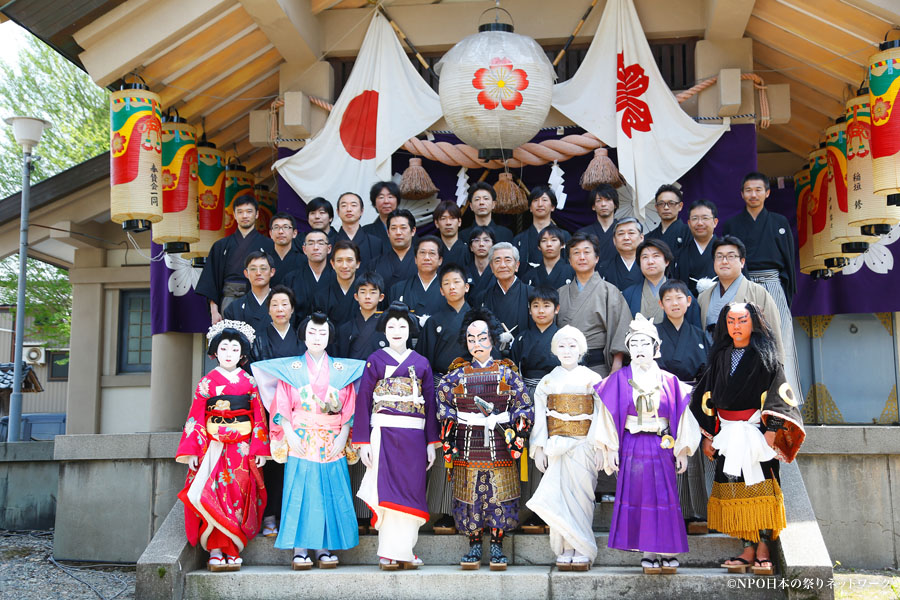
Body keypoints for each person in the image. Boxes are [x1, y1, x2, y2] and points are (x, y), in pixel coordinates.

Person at [690, 302, 805, 576]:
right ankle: (747, 547)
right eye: (730, 321)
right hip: (727, 434)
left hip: (756, 433)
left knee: (761, 489)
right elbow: (705, 397)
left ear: (753, 322)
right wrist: (709, 434)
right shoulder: (719, 356)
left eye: (742, 320)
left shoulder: (766, 356)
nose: (736, 327)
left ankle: (764, 548)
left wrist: (773, 428)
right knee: (735, 489)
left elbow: (780, 394)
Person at [251, 312, 366, 570]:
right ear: (303, 335)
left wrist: (345, 434)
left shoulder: (341, 370)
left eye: (322, 333)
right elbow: (281, 404)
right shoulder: (291, 369)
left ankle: (324, 547)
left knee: (328, 491)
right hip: (300, 437)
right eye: (312, 332)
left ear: (329, 337)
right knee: (300, 491)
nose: (316, 337)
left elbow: (350, 407)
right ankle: (300, 548)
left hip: (331, 438)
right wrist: (288, 433)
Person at [594, 314, 701, 574]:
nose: (640, 350)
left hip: (661, 443)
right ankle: (648, 550)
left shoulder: (670, 381)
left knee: (664, 498)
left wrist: (682, 451)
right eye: (634, 344)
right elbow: (606, 418)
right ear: (628, 349)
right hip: (631, 444)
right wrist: (610, 449)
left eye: (645, 344)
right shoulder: (617, 380)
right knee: (638, 498)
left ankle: (667, 550)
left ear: (656, 348)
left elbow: (684, 416)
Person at [437, 308, 533, 570]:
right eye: (471, 339)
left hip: (500, 445)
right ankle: (474, 544)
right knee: (470, 496)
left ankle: (498, 545)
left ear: (492, 339)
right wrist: (453, 423)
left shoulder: (508, 373)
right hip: (468, 446)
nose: (477, 344)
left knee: (499, 495)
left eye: (482, 338)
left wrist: (510, 423)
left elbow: (524, 406)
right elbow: (444, 405)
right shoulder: (455, 375)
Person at [176, 320, 269, 571]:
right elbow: (196, 417)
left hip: (241, 448)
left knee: (238, 494)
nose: (229, 354)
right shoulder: (207, 383)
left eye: (235, 349)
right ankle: (216, 550)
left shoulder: (249, 383)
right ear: (215, 352)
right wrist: (193, 451)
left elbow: (259, 417)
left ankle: (232, 548)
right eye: (225, 348)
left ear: (242, 355)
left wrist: (260, 449)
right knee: (213, 494)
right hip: (213, 448)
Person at [354, 302, 439, 569]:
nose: (397, 330)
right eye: (391, 326)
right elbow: (363, 401)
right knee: (387, 492)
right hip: (383, 433)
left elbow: (430, 404)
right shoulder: (375, 360)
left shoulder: (422, 363)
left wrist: (431, 443)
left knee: (411, 492)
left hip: (414, 436)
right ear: (384, 331)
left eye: (403, 326)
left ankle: (405, 550)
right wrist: (363, 442)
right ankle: (389, 552)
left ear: (410, 330)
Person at [526, 325, 603, 571]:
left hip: (584, 444)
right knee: (559, 497)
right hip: (556, 445)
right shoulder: (547, 381)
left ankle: (582, 546)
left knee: (582, 497)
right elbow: (540, 418)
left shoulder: (593, 379)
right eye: (562, 345)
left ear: (581, 349)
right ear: (554, 350)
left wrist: (601, 446)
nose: (567, 350)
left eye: (572, 345)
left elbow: (602, 416)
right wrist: (538, 447)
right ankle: (566, 547)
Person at [722, 172, 801, 403]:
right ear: (742, 194)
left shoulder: (779, 222)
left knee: (779, 337)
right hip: (744, 284)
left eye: (758, 190)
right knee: (742, 338)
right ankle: (745, 396)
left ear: (767, 193)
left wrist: (785, 296)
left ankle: (783, 398)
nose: (753, 194)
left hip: (773, 284)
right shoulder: (733, 224)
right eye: (748, 190)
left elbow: (788, 263)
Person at [416, 263, 471, 533]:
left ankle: (472, 507)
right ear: (441, 289)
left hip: (472, 387)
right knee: (444, 446)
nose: (452, 287)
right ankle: (445, 510)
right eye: (446, 283)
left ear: (466, 286)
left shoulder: (477, 318)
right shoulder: (435, 320)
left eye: (456, 282)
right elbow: (424, 359)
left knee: (471, 449)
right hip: (440, 386)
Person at [655, 279, 711, 533]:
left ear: (689, 301)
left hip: (694, 401)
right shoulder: (652, 334)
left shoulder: (700, 336)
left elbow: (709, 374)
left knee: (693, 453)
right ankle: (670, 510)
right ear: (661, 304)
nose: (674, 303)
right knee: (666, 452)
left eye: (679, 298)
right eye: (668, 299)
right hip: (662, 400)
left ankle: (697, 512)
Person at [248, 286, 304, 538]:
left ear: (292, 309)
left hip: (300, 409)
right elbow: (256, 375)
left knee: (298, 462)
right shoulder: (258, 339)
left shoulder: (303, 336)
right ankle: (269, 515)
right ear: (268, 310)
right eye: (275, 305)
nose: (280, 309)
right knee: (273, 463)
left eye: (284, 304)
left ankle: (292, 516)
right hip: (269, 409)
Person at [510, 286, 562, 534]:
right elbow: (513, 372)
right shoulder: (522, 339)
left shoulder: (564, 337)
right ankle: (531, 508)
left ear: (557, 309)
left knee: (555, 449)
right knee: (530, 450)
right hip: (528, 395)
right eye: (536, 306)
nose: (541, 311)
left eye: (547, 306)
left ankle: (554, 507)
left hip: (557, 398)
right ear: (529, 311)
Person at [697, 236, 784, 359]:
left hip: (749, 365)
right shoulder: (704, 297)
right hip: (713, 365)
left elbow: (773, 335)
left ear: (742, 262)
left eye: (731, 256)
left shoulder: (758, 293)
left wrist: (777, 368)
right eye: (719, 256)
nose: (724, 261)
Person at [557, 232, 631, 377]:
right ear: (570, 260)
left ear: (596, 258)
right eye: (576, 253)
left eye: (587, 252)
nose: (582, 257)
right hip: (565, 367)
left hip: (599, 368)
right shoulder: (560, 293)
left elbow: (621, 329)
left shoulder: (610, 291)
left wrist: (616, 366)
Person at [196, 195, 275, 323]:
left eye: (249, 211)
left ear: (256, 214)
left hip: (259, 299)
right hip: (228, 299)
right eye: (240, 212)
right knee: (230, 339)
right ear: (234, 214)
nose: (244, 216)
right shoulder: (220, 246)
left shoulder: (268, 245)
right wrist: (214, 311)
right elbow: (211, 281)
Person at [621, 239, 702, 328]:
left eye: (656, 256)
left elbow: (694, 331)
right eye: (645, 257)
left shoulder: (683, 293)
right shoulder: (628, 295)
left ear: (666, 261)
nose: (650, 261)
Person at [481, 242, 534, 349]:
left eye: (508, 260)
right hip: (494, 356)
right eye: (497, 261)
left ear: (517, 266)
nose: (503, 265)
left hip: (524, 354)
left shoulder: (531, 293)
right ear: (491, 267)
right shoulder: (484, 297)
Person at [514, 185, 570, 274]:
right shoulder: (519, 239)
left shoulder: (564, 236)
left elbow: (570, 267)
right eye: (535, 200)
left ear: (552, 207)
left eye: (544, 200)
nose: (540, 204)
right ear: (530, 208)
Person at [389, 236, 445, 323]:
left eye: (432, 253)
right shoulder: (398, 288)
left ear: (440, 260)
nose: (426, 258)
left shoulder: (448, 289)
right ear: (415, 259)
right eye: (422, 253)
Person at [336, 271, 388, 361]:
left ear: (381, 297)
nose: (367, 296)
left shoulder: (388, 327)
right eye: (363, 292)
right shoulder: (345, 329)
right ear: (356, 296)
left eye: (373, 292)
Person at [223, 251, 274, 338]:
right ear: (246, 273)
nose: (258, 273)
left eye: (263, 268)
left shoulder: (283, 305)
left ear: (272, 272)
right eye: (253, 269)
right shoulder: (234, 308)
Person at [285, 229, 335, 317]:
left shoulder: (338, 278)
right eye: (311, 243)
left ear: (329, 248)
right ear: (304, 249)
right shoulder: (291, 279)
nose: (315, 247)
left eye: (320, 243)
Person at [677, 200, 719, 297]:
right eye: (695, 218)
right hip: (690, 308)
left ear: (715, 222)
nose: (700, 223)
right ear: (689, 223)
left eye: (705, 218)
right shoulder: (680, 254)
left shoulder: (728, 251)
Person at [335, 192, 384, 268]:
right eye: (344, 206)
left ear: (361, 211)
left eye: (353, 205)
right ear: (338, 212)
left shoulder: (375, 243)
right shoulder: (330, 242)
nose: (349, 209)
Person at [375, 209, 418, 294]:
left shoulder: (425, 262)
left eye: (403, 228)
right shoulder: (376, 264)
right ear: (388, 232)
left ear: (413, 231)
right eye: (393, 228)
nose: (398, 232)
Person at [646, 184, 690, 262]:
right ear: (656, 207)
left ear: (680, 206)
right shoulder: (648, 238)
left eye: (671, 203)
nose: (666, 207)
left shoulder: (689, 233)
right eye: (661, 203)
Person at [598, 217, 644, 291]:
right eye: (621, 234)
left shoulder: (650, 264)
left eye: (631, 233)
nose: (626, 238)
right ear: (614, 240)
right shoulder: (604, 267)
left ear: (641, 238)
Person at [577, 184, 619, 266]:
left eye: (607, 200)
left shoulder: (623, 232)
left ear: (615, 205)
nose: (603, 204)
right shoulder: (583, 233)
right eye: (599, 200)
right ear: (593, 206)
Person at [522, 225, 575, 289]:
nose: (549, 244)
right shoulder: (529, 276)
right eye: (544, 240)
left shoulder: (573, 272)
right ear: (539, 247)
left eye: (554, 240)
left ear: (562, 245)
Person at [325, 240, 361, 325]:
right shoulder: (321, 297)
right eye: (339, 260)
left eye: (349, 260)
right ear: (332, 264)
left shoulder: (367, 295)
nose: (344, 266)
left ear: (358, 263)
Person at [464, 226, 497, 308]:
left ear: (493, 246)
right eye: (476, 240)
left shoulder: (498, 272)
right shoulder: (463, 273)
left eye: (486, 240)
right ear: (471, 247)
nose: (481, 244)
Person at [268, 212, 304, 287]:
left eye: (286, 227)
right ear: (271, 233)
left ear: (294, 233)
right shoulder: (264, 260)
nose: (280, 231)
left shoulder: (304, 261)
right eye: (276, 227)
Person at [361, 181, 400, 245]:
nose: (386, 201)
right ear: (374, 204)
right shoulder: (366, 231)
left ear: (397, 202)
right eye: (381, 197)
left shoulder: (408, 228)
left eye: (390, 197)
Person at [433, 201, 469, 267]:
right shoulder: (432, 251)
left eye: (452, 218)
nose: (448, 223)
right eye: (443, 218)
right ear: (436, 223)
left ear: (459, 222)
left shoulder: (469, 250)